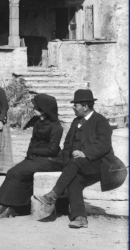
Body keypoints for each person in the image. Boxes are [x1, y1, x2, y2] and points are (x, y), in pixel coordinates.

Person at [36, 89, 128, 229]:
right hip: (77, 165)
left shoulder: (100, 121)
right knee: (74, 180)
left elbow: (104, 145)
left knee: (77, 163)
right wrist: (68, 164)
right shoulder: (75, 121)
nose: (73, 107)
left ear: (85, 106)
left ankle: (53, 195)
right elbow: (67, 145)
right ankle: (80, 218)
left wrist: (85, 154)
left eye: (76, 105)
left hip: (100, 164)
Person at [0, 94, 64, 218]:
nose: (34, 108)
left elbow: (52, 150)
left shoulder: (56, 126)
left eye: (36, 107)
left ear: (44, 109)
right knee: (13, 172)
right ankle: (11, 206)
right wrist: (29, 154)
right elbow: (33, 142)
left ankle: (7, 204)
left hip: (52, 160)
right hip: (36, 158)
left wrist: (34, 151)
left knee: (19, 172)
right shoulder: (37, 123)